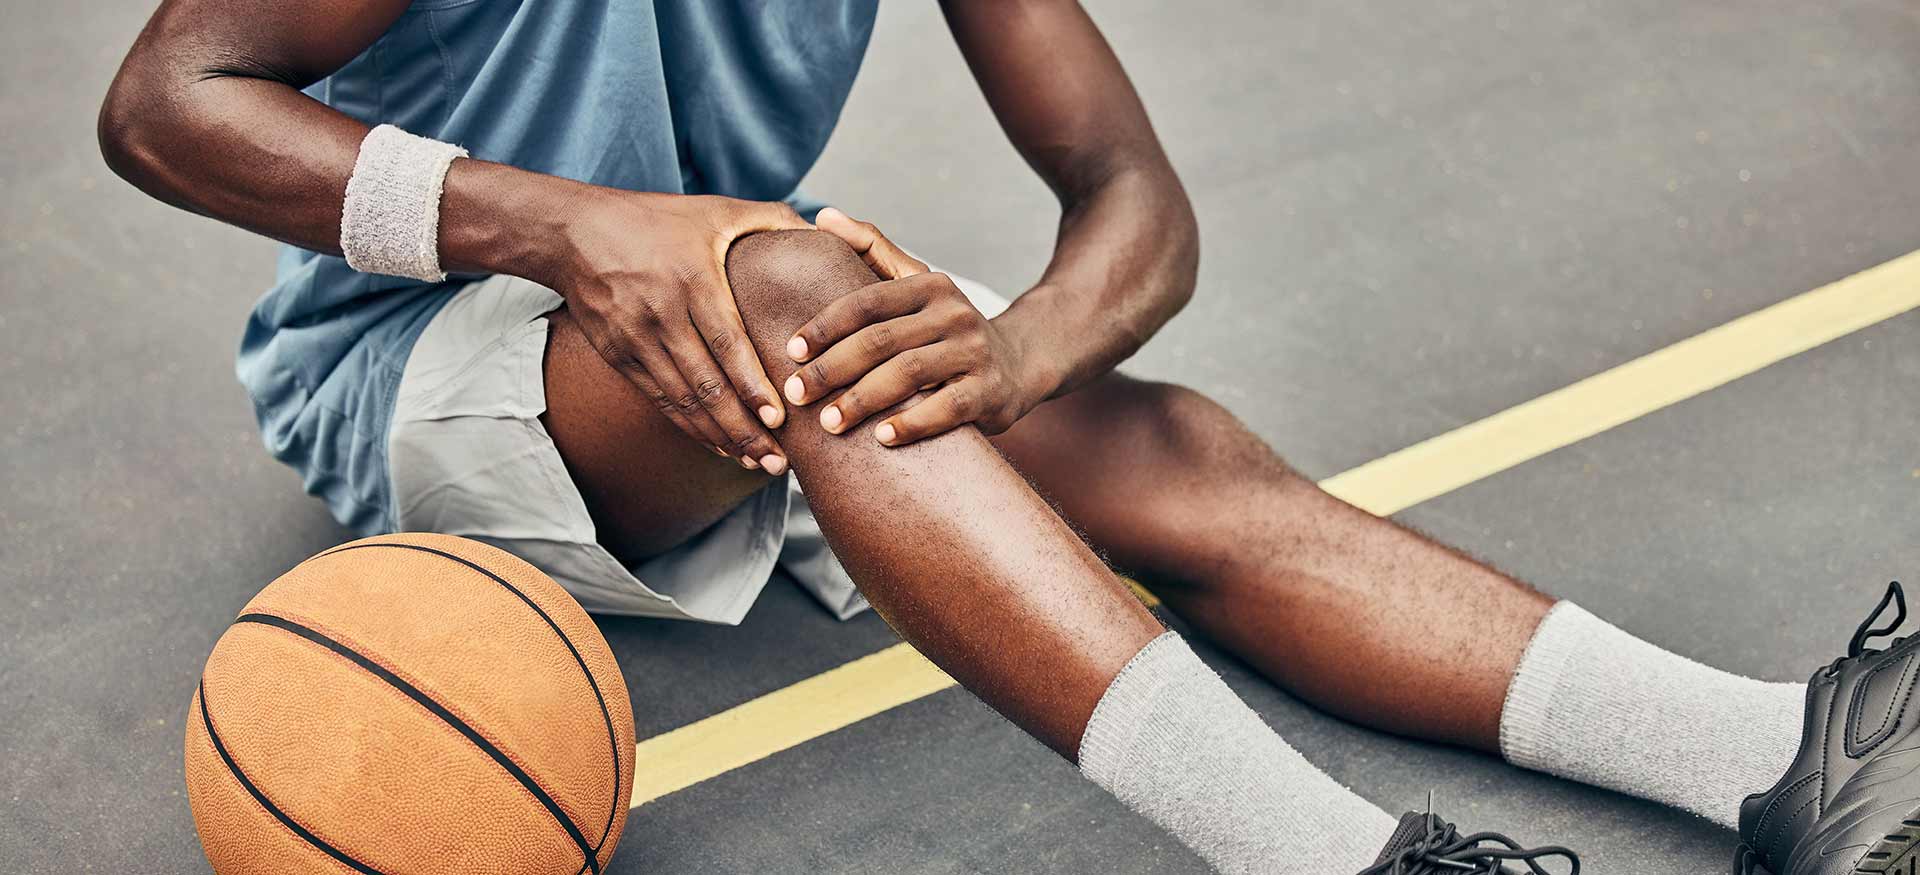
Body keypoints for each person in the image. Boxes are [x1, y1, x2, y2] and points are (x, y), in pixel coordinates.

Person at [96, 1, 1917, 872]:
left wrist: (1025, 352)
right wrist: (575, 223)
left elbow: (1134, 197)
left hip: (737, 297)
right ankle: (1335, 864)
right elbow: (164, 104)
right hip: (423, 354)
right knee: (808, 301)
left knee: (1157, 443)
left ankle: (1773, 755)